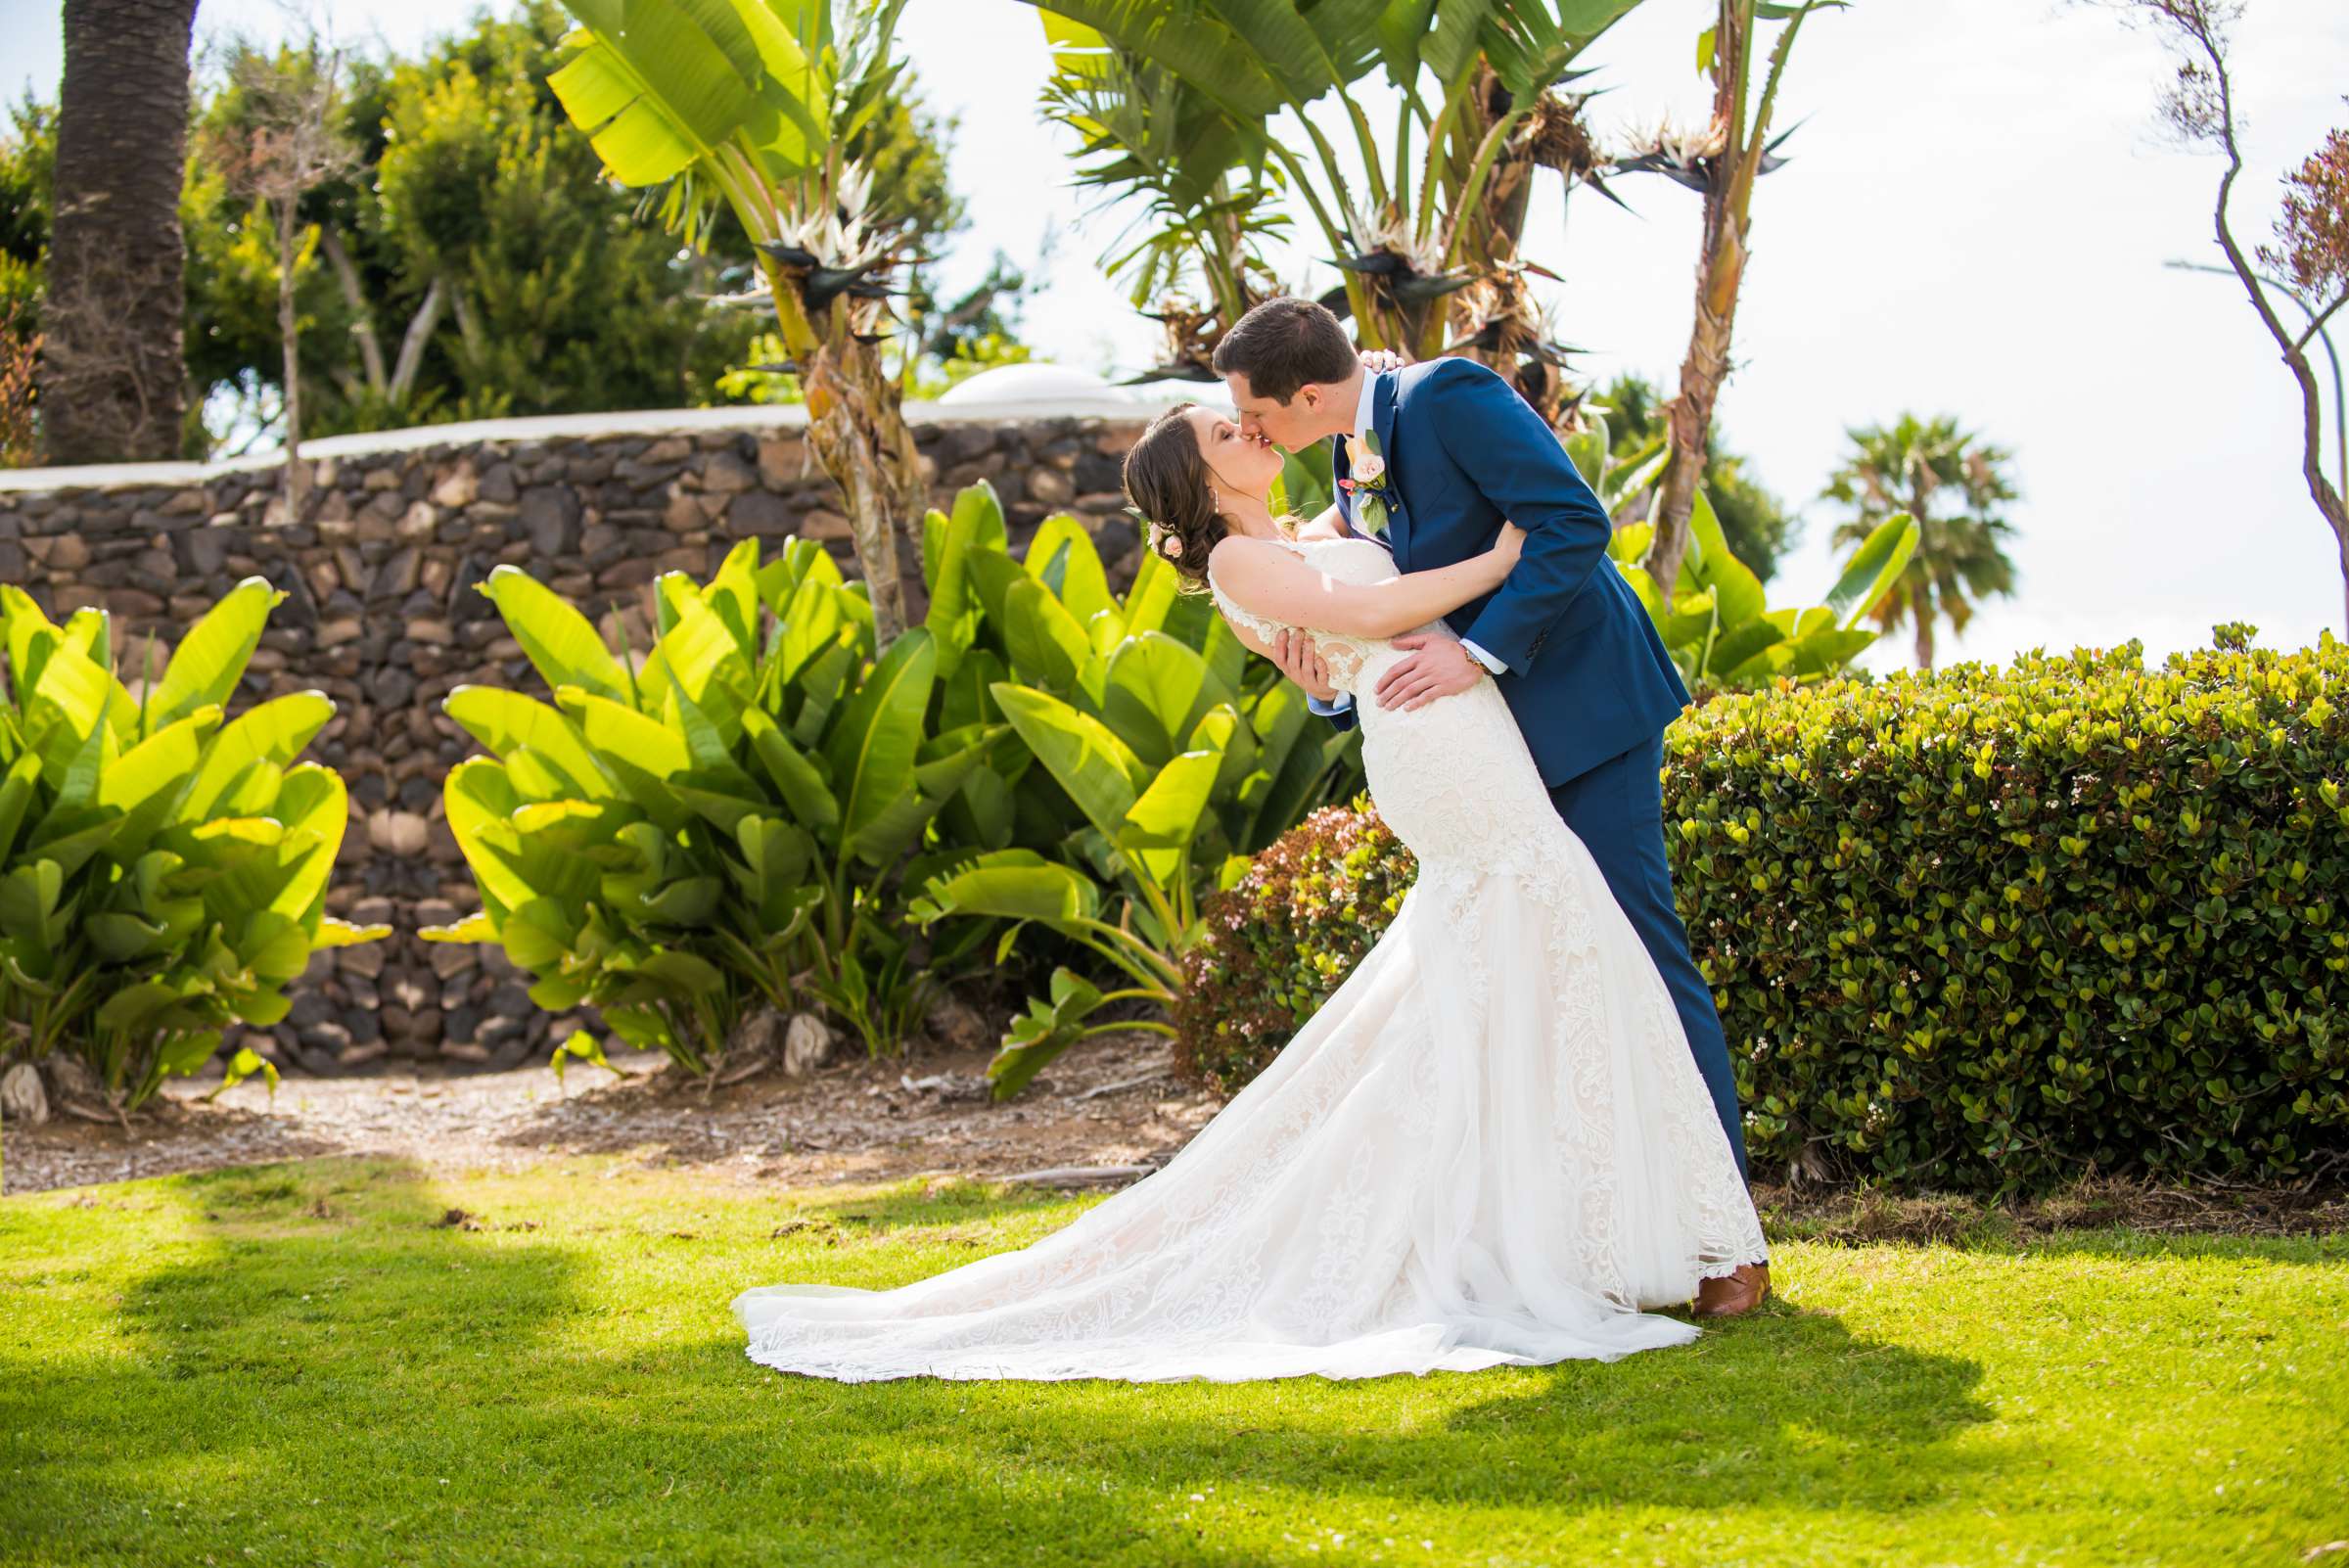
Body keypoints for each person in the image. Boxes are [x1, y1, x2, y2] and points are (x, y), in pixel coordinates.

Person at [728, 356, 1768, 1387]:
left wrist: (1381, 636)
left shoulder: (1307, 519)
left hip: (1462, 726)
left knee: (1540, 964)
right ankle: (1667, 1234)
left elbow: (1344, 603)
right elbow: (1366, 617)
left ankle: (1625, 1226)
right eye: (1226, 432)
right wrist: (1500, 563)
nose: (1248, 430)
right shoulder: (1237, 564)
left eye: (1243, 415)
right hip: (1442, 739)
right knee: (1547, 947)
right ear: (1203, 483)